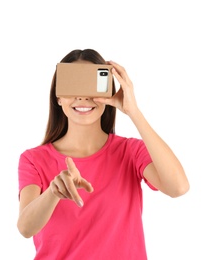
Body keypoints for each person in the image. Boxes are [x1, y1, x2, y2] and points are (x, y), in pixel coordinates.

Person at [17, 49, 190, 259]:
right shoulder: (34, 159)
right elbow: (26, 228)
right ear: (59, 96)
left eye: (90, 85)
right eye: (73, 85)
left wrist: (133, 111)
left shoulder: (131, 152)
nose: (82, 96)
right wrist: (53, 193)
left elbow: (178, 187)